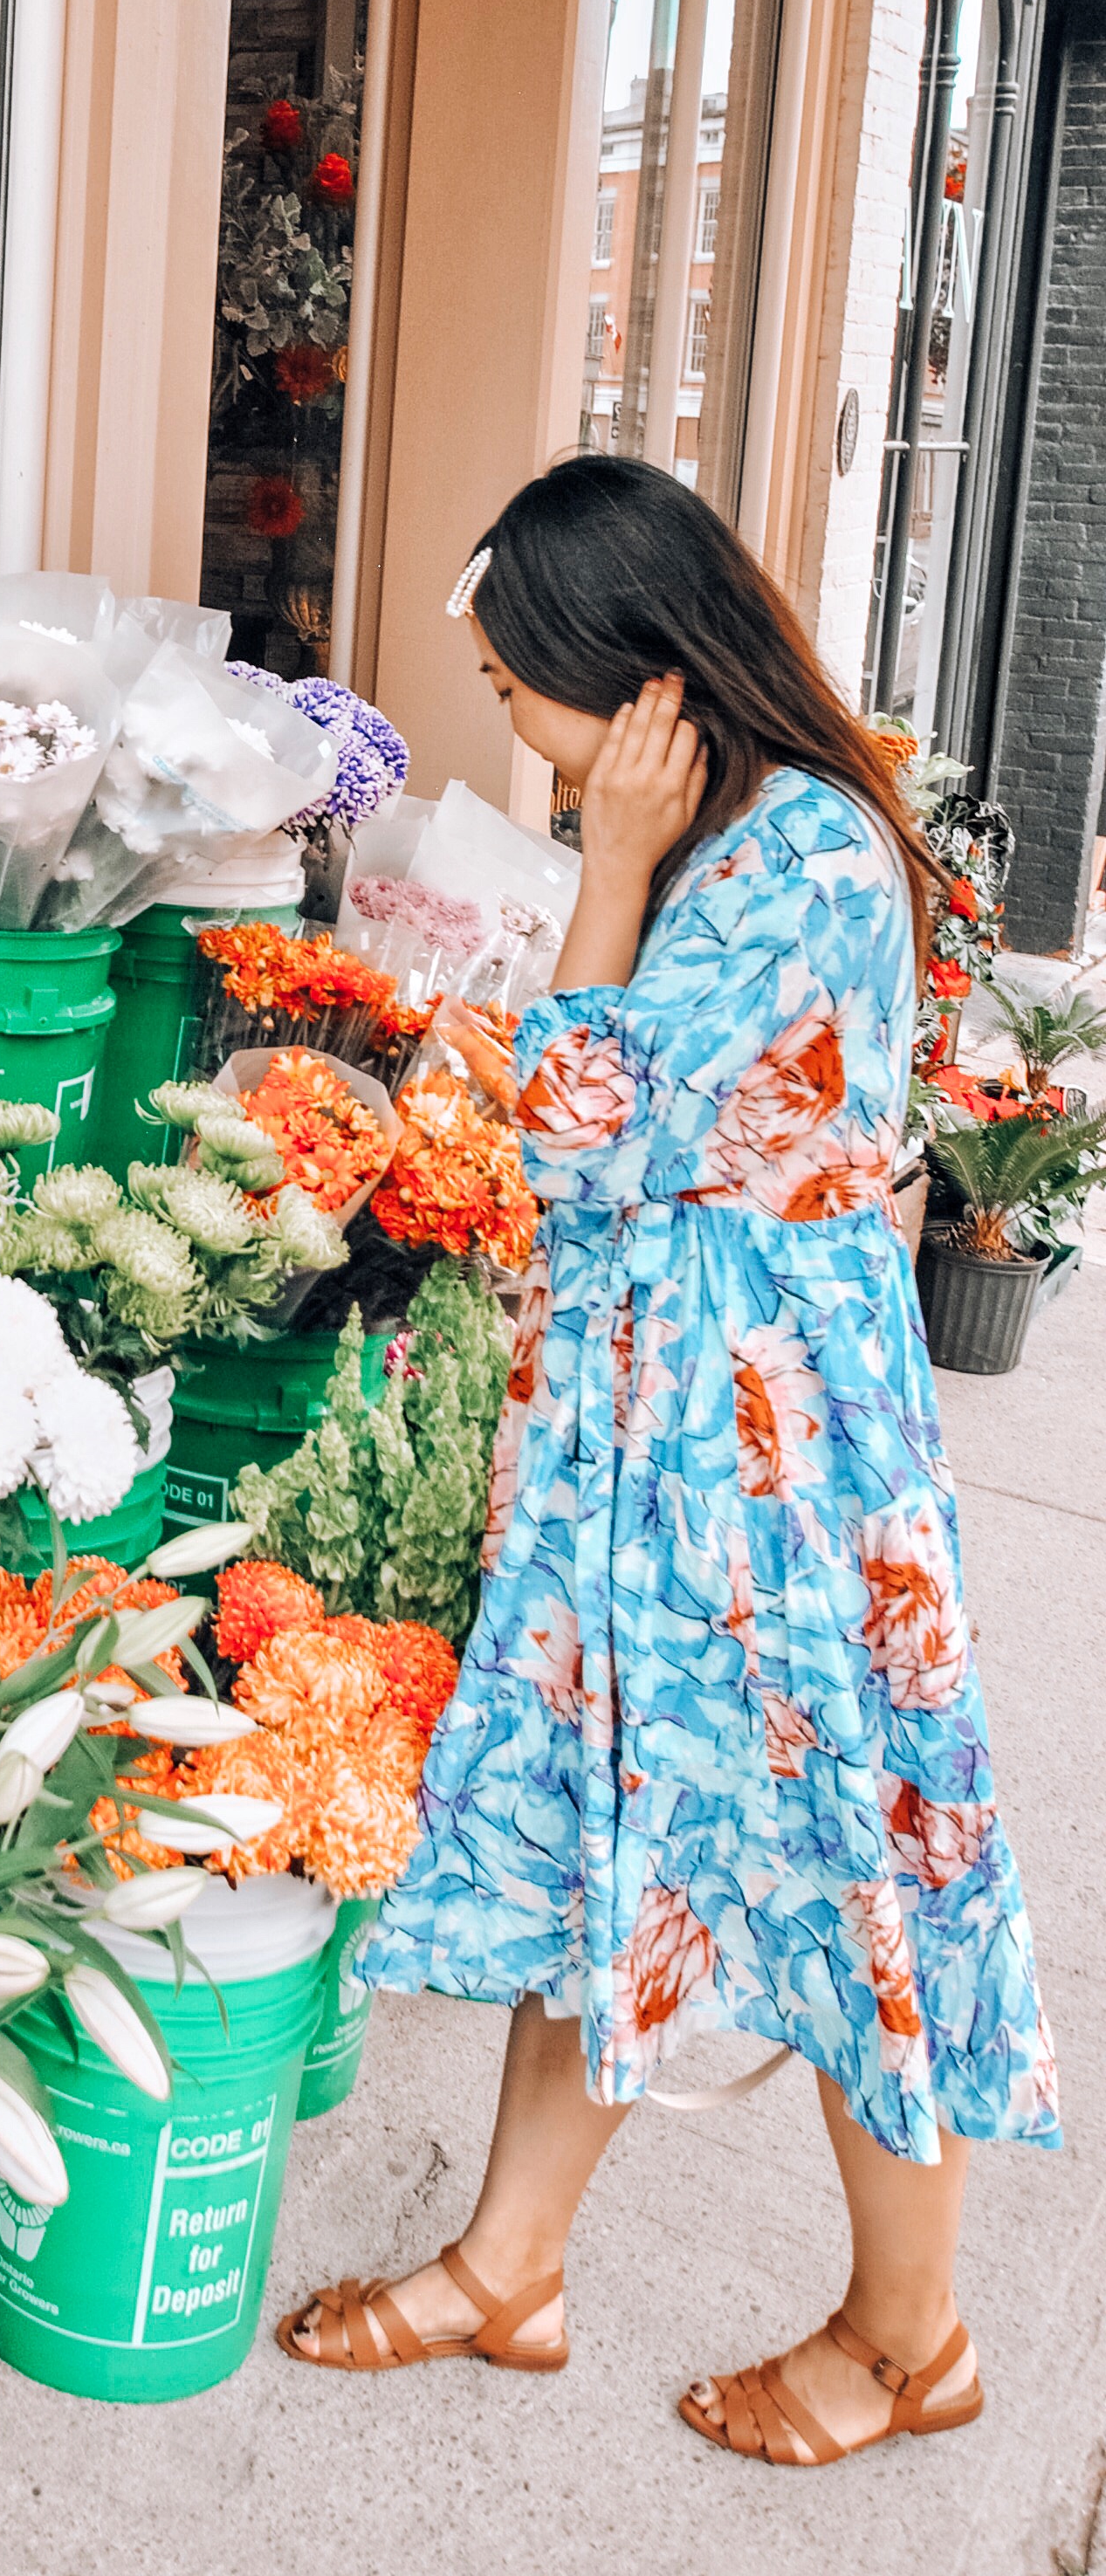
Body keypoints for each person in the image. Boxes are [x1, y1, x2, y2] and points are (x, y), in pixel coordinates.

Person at [278, 454, 1056, 2466]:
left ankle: (913, 2338)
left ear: (638, 691)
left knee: (845, 1879)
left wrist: (599, 869)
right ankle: (507, 2267)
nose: (509, 732)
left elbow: (578, 1125)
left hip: (775, 1477)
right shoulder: (736, 833)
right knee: (609, 1835)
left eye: (524, 693)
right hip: (653, 1434)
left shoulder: (794, 859)